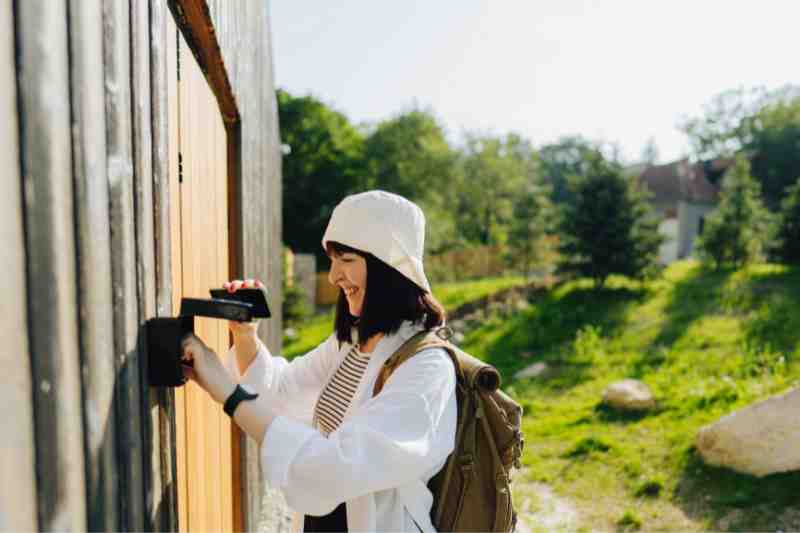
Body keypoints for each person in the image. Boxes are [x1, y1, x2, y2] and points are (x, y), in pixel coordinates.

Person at [181, 190, 457, 532]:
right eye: (333, 260)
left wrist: (226, 391)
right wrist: (245, 335)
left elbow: (335, 467)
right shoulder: (353, 343)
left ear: (387, 265)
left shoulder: (426, 368)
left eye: (347, 259)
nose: (333, 276)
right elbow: (281, 394)